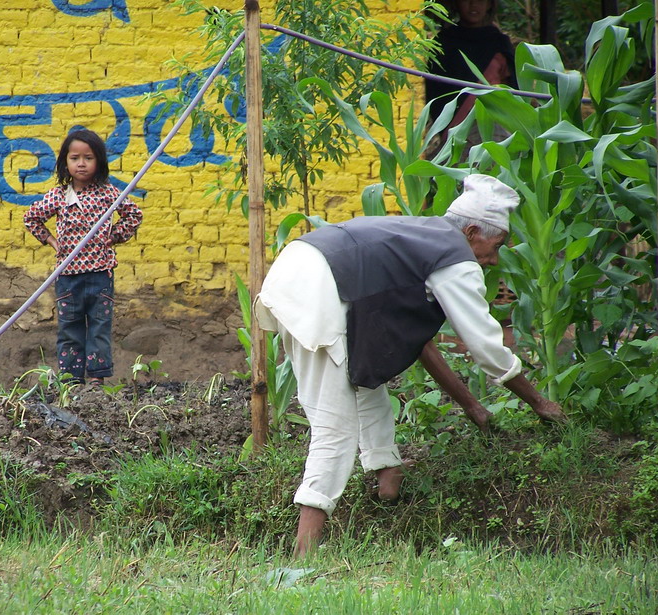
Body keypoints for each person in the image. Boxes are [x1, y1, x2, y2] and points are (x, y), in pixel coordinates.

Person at [254, 174, 566, 558]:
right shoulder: (454, 258)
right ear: (471, 231)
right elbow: (486, 347)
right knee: (335, 427)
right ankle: (303, 556)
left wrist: (472, 408)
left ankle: (388, 487)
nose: (494, 259)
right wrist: (539, 403)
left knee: (367, 383)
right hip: (318, 290)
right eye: (495, 245)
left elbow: (421, 344)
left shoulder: (423, 238)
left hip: (296, 272)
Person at [24, 129, 142, 386]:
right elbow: (31, 218)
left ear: (98, 161)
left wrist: (115, 236)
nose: (81, 163)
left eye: (88, 157)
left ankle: (97, 379)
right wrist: (52, 241)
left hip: (101, 274)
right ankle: (71, 380)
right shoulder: (59, 195)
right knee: (70, 329)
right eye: (75, 157)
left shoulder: (108, 193)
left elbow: (134, 215)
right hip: (67, 276)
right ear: (65, 161)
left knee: (99, 328)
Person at [425, 0, 517, 145]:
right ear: (456, 4)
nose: (474, 4)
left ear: (489, 5)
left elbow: (513, 89)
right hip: (455, 130)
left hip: (495, 123)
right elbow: (434, 91)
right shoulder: (444, 43)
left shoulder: (499, 43)